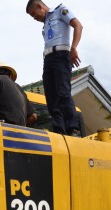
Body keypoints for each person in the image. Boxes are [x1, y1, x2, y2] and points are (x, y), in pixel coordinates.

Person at [26, 0, 83, 136]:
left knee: (63, 92)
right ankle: (59, 130)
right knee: (51, 97)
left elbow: (78, 26)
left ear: (40, 6)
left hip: (61, 55)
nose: (35, 19)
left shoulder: (60, 10)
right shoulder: (45, 24)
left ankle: (73, 128)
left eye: (34, 14)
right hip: (48, 60)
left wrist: (73, 48)